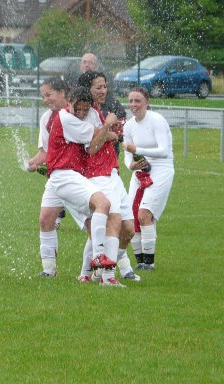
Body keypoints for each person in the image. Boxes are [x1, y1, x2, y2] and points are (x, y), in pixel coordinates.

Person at [44, 86, 120, 284]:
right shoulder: (66, 118)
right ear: (69, 102)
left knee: (92, 220)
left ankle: (85, 273)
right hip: (64, 176)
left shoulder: (71, 117)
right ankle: (98, 258)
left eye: (85, 110)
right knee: (103, 204)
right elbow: (98, 136)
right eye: (78, 108)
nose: (81, 113)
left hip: (66, 177)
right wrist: (110, 127)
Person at [76, 71, 139, 284]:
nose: (103, 90)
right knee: (113, 222)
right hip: (98, 174)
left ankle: (91, 271)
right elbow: (91, 148)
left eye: (105, 86)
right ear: (88, 90)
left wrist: (113, 132)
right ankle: (108, 276)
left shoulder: (99, 111)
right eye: (98, 87)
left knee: (129, 229)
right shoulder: (85, 114)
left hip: (112, 172)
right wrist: (108, 129)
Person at [122, 87, 174, 270]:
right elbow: (127, 151)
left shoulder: (157, 120)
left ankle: (149, 263)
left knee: (144, 214)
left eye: (138, 101)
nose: (133, 105)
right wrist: (130, 165)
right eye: (131, 101)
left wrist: (139, 151)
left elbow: (164, 150)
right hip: (139, 171)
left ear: (147, 102)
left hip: (161, 169)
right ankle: (140, 261)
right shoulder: (128, 125)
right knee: (130, 215)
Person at [27, 78, 70, 277]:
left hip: (78, 177)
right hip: (56, 177)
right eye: (43, 96)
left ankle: (108, 267)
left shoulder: (75, 111)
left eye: (49, 95)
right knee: (46, 219)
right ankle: (49, 270)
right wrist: (33, 162)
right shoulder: (47, 118)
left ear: (62, 92)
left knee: (91, 223)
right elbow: (45, 151)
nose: (45, 100)